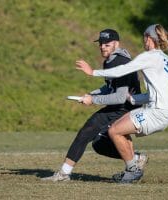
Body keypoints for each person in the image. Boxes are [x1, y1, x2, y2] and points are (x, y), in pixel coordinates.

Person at [76, 24, 168, 183]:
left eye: (144, 37)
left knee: (114, 131)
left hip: (157, 112)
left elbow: (121, 70)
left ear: (148, 38)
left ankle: (133, 169)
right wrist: (133, 99)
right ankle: (134, 165)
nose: (143, 41)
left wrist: (93, 72)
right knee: (118, 128)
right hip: (167, 111)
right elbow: (159, 93)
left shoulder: (149, 56)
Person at [42, 29, 148, 182]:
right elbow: (110, 87)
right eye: (101, 44)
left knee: (86, 131)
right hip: (119, 106)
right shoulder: (110, 60)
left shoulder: (121, 62)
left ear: (116, 44)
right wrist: (92, 94)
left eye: (107, 44)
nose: (103, 47)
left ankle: (64, 174)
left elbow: (119, 97)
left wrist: (93, 100)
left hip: (125, 107)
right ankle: (136, 158)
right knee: (99, 145)